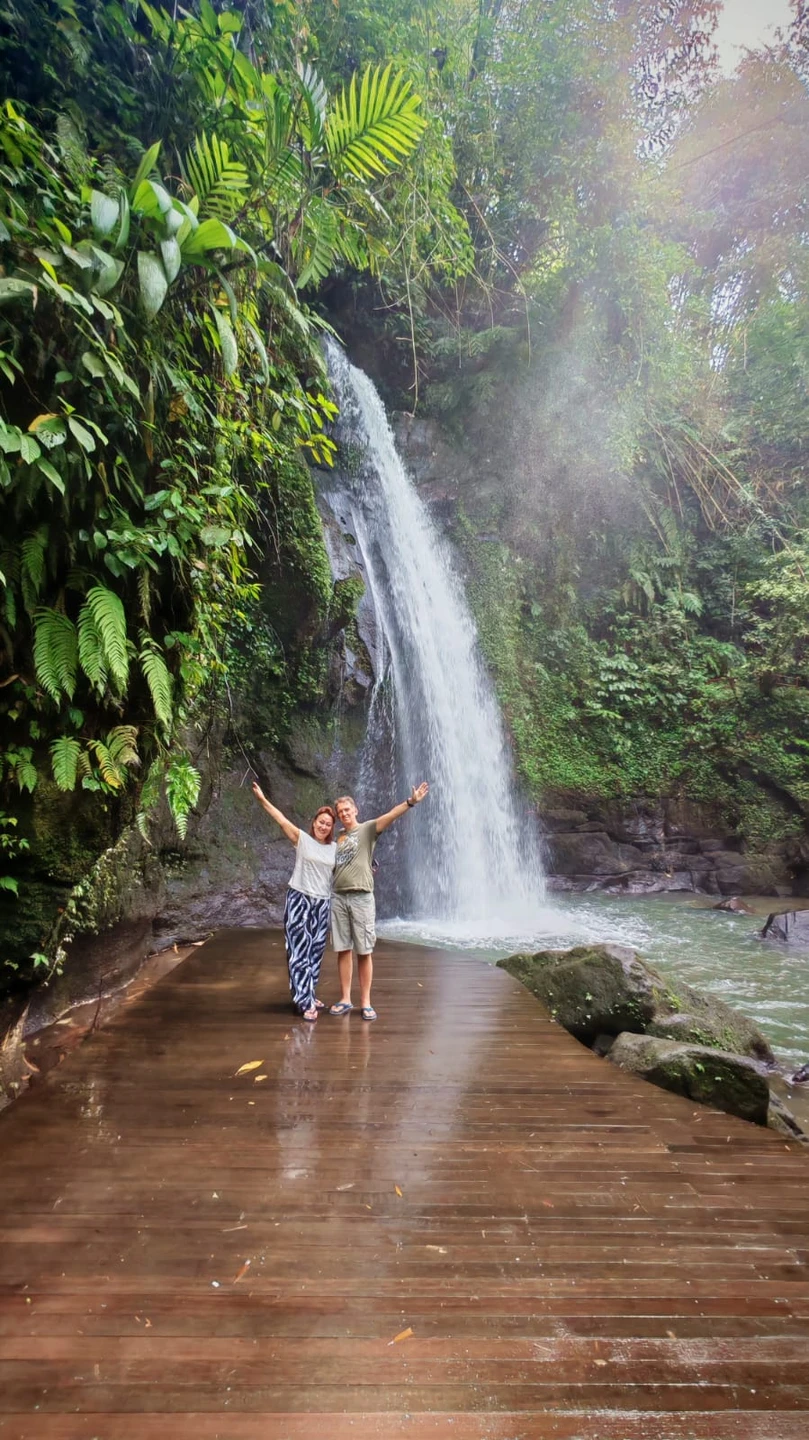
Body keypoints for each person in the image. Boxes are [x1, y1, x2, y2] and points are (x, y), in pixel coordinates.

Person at [329, 782, 429, 1022]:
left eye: (347, 809)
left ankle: (365, 1002)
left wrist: (410, 802)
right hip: (339, 897)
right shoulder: (338, 838)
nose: (343, 813)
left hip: (362, 897)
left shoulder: (367, 829)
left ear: (356, 810)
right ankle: (345, 998)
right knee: (343, 949)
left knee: (364, 951)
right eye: (340, 811)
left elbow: (390, 816)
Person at [251, 781, 337, 1022]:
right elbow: (281, 819)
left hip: (322, 903)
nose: (323, 826)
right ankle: (304, 1001)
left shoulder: (335, 849)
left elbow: (354, 860)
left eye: (328, 824)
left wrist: (370, 866)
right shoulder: (302, 840)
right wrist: (263, 800)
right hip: (300, 899)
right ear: (314, 823)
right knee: (299, 950)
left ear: (331, 828)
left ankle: (309, 992)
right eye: (320, 822)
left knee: (316, 951)